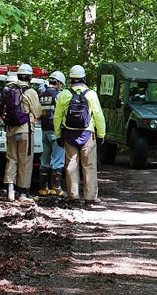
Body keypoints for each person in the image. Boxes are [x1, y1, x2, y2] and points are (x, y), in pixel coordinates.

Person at [53, 65, 106, 207]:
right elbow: (99, 116)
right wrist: (101, 134)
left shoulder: (64, 94)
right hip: (88, 134)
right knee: (89, 165)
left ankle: (73, 195)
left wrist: (58, 135)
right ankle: (90, 197)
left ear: (71, 78)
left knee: (71, 165)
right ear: (84, 78)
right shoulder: (91, 94)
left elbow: (57, 117)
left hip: (70, 134)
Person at [0, 64, 42, 203]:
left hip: (10, 130)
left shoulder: (8, 89)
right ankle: (22, 193)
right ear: (30, 77)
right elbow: (38, 112)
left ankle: (10, 191)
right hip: (25, 130)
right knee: (25, 161)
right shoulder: (30, 92)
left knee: (11, 159)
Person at [38, 71, 66, 197]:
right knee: (57, 159)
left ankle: (43, 188)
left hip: (44, 130)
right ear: (59, 83)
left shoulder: (42, 94)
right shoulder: (59, 95)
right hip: (56, 131)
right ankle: (56, 188)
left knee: (45, 159)